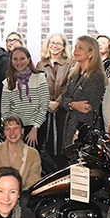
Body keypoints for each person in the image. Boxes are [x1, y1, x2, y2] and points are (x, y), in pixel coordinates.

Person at [60, 35, 106, 152]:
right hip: (70, 126)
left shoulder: (95, 77)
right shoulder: (74, 74)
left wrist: (78, 133)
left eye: (80, 48)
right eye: (75, 47)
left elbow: (87, 108)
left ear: (91, 53)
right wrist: (73, 105)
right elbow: (64, 97)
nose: (75, 51)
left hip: (83, 131)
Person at [35, 33, 72, 169]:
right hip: (44, 111)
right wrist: (47, 103)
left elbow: (71, 87)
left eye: (58, 43)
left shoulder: (71, 64)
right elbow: (37, 87)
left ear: (63, 47)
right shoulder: (41, 64)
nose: (55, 46)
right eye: (52, 43)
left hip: (63, 111)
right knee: (45, 146)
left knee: (62, 146)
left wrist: (58, 102)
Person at [0, 115, 41, 193]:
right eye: (8, 129)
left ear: (22, 131)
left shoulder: (32, 154)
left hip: (21, 198)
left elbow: (33, 183)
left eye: (15, 128)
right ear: (4, 132)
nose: (12, 132)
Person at [1, 47, 49, 147]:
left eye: (22, 58)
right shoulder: (7, 82)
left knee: (32, 156)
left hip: (35, 128)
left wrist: (35, 128)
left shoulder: (40, 77)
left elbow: (44, 105)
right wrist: (12, 129)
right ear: (11, 61)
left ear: (28, 60)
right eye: (15, 59)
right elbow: (5, 110)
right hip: (15, 129)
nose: (19, 62)